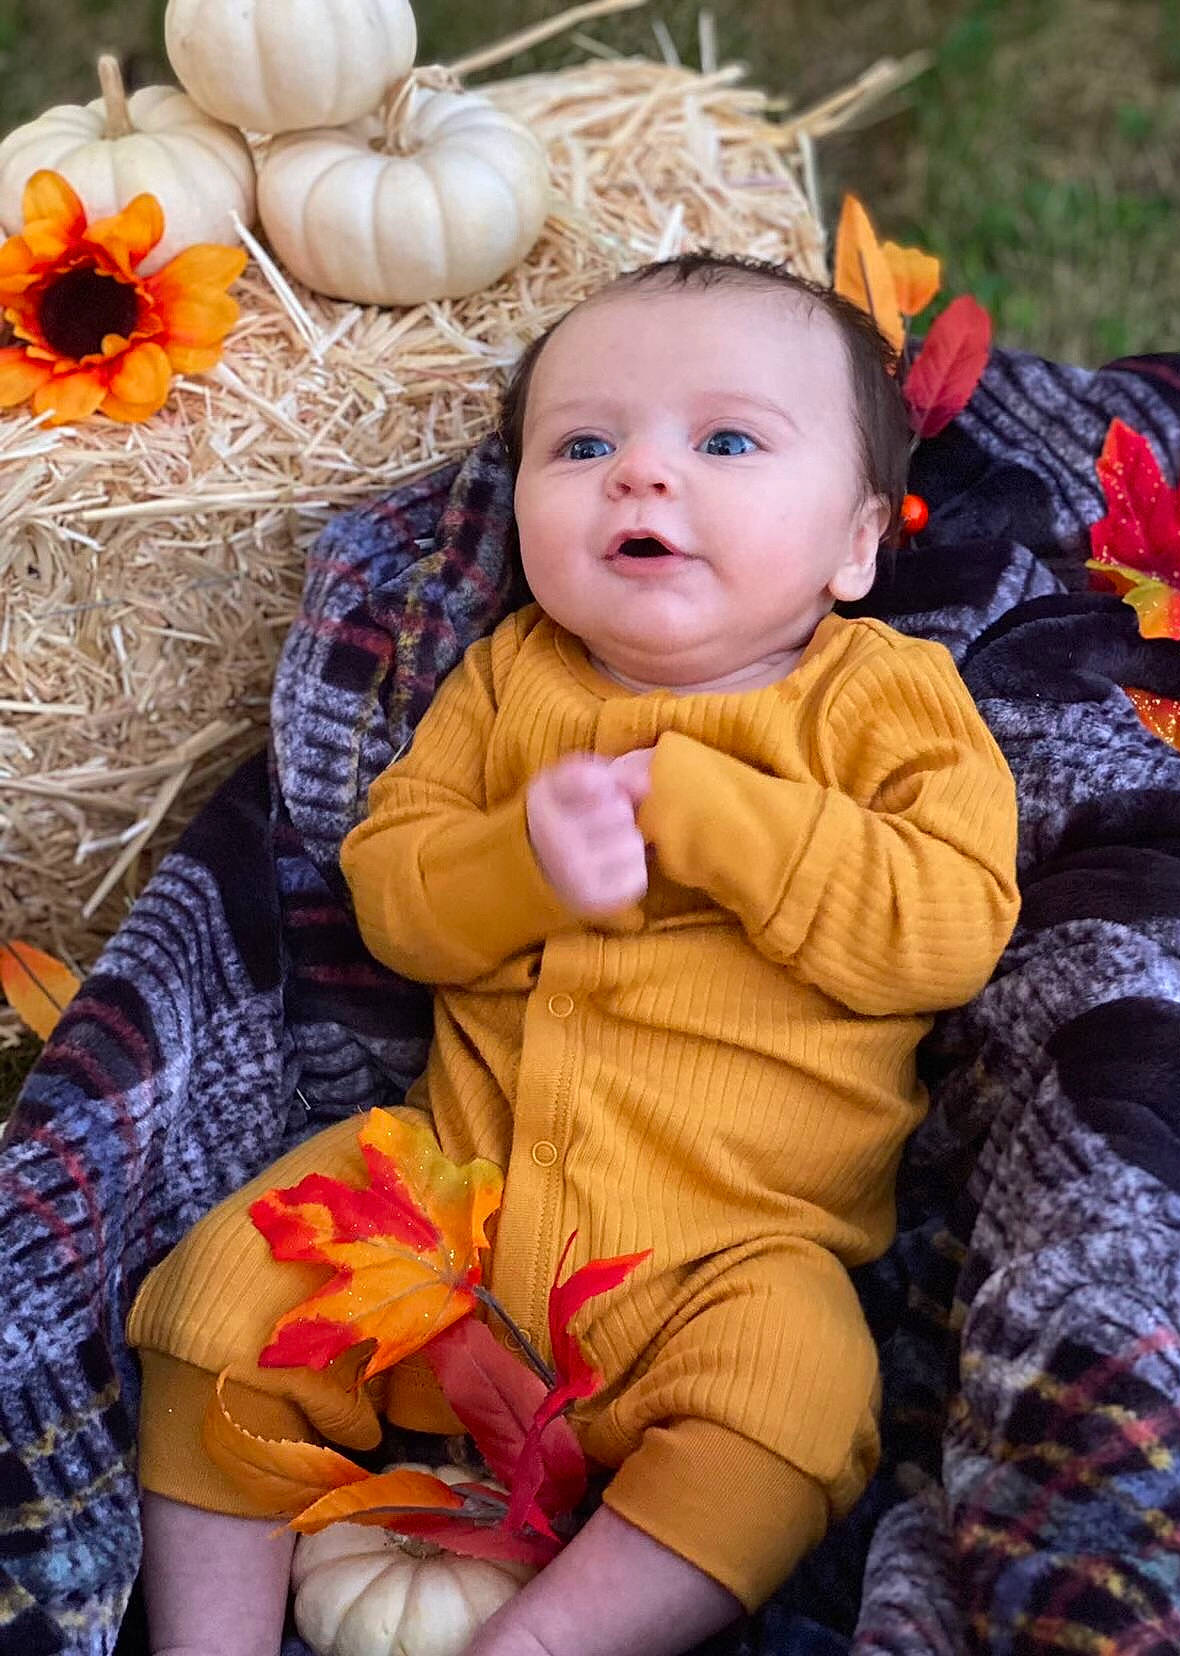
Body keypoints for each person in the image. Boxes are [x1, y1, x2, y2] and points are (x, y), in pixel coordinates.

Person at [127, 251, 1020, 1656]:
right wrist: (516, 865)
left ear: (854, 545)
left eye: (724, 441)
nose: (640, 477)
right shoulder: (506, 682)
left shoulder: (887, 704)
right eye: (582, 443)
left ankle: (544, 1640)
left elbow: (948, 929)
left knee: (800, 1391)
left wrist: (721, 814)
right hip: (451, 1217)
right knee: (222, 1293)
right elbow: (393, 902)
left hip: (728, 1252)